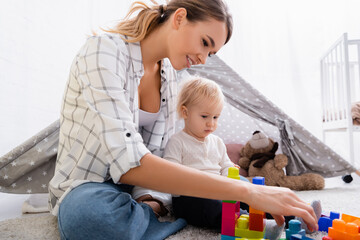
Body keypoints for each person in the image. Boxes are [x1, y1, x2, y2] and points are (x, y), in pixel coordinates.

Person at [48, 0, 318, 239]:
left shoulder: (169, 78)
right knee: (90, 219)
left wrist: (149, 198)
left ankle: (293, 215)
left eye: (211, 53)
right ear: (179, 18)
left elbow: (154, 155)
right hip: (89, 186)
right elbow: (130, 162)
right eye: (204, 43)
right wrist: (245, 192)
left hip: (137, 186)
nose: (203, 58)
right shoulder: (103, 52)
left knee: (214, 188)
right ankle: (154, 217)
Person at [132, 77, 249, 222]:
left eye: (215, 117)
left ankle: (269, 211)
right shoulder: (177, 141)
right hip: (191, 196)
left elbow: (226, 166)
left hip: (219, 190)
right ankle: (242, 218)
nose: (211, 123)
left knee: (245, 184)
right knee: (210, 205)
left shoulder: (217, 142)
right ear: (185, 113)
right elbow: (170, 175)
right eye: (205, 116)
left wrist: (231, 173)